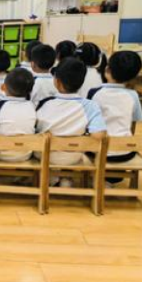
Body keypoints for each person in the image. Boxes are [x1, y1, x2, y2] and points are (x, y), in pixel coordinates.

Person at [36, 58, 106, 187]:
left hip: (46, 155)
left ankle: (53, 177)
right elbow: (99, 135)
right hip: (74, 156)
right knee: (78, 152)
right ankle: (65, 177)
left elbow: (38, 128)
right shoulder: (90, 106)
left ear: (57, 81)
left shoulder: (46, 103)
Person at [89, 51, 142, 180]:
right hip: (124, 151)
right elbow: (137, 119)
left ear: (107, 69)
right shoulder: (133, 95)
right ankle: (113, 180)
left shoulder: (94, 93)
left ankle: (98, 179)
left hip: (97, 150)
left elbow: (88, 120)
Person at [0, 68, 36, 162]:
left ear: (4, 87)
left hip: (1, 154)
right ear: (30, 90)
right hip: (26, 154)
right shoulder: (33, 107)